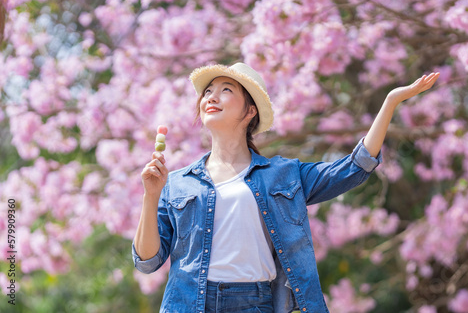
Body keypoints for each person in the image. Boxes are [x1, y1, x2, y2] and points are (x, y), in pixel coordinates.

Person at [132, 62, 440, 313]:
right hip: (189, 305)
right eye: (207, 92)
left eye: (226, 90)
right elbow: (147, 262)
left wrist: (390, 102)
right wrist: (151, 196)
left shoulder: (283, 175)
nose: (211, 97)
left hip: (255, 303)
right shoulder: (176, 183)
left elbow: (354, 167)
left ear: (250, 111)